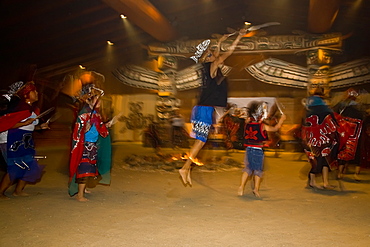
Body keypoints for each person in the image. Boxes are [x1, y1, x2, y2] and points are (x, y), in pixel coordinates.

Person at [179, 28, 247, 186]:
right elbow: (227, 54)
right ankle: (185, 168)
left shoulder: (211, 70)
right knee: (201, 141)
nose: (215, 55)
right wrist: (238, 37)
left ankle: (187, 168)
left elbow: (218, 53)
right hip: (203, 109)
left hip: (203, 109)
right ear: (208, 58)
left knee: (200, 141)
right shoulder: (211, 66)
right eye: (211, 54)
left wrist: (220, 42)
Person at [0, 81, 49, 199]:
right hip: (10, 140)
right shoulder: (19, 108)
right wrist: (25, 122)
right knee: (15, 167)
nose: (37, 93)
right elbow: (6, 125)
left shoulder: (31, 109)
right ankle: (0, 193)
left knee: (29, 165)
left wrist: (39, 127)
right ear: (26, 94)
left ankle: (18, 191)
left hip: (25, 142)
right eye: (34, 91)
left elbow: (28, 127)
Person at [68, 84, 112, 202]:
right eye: (96, 99)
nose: (99, 102)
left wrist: (106, 125)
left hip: (92, 145)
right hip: (84, 145)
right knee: (84, 168)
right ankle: (79, 195)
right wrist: (84, 129)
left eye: (100, 100)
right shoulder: (83, 113)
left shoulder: (96, 114)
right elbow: (77, 130)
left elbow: (99, 128)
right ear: (88, 100)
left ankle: (84, 188)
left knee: (90, 167)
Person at [237, 101, 286, 197]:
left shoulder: (248, 124)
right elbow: (275, 128)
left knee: (248, 169)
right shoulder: (262, 126)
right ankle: (256, 189)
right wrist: (282, 120)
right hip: (258, 151)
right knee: (258, 171)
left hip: (248, 150)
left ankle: (241, 186)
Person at [301, 90, 340, 189]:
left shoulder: (307, 111)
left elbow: (303, 127)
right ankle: (320, 182)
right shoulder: (326, 111)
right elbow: (334, 124)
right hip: (324, 139)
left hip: (311, 140)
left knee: (317, 160)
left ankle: (319, 182)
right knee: (323, 160)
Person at [332, 88, 364, 181]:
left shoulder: (342, 108)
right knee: (357, 152)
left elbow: (336, 117)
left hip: (345, 135)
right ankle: (355, 174)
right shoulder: (359, 109)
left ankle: (340, 173)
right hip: (357, 135)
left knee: (343, 151)